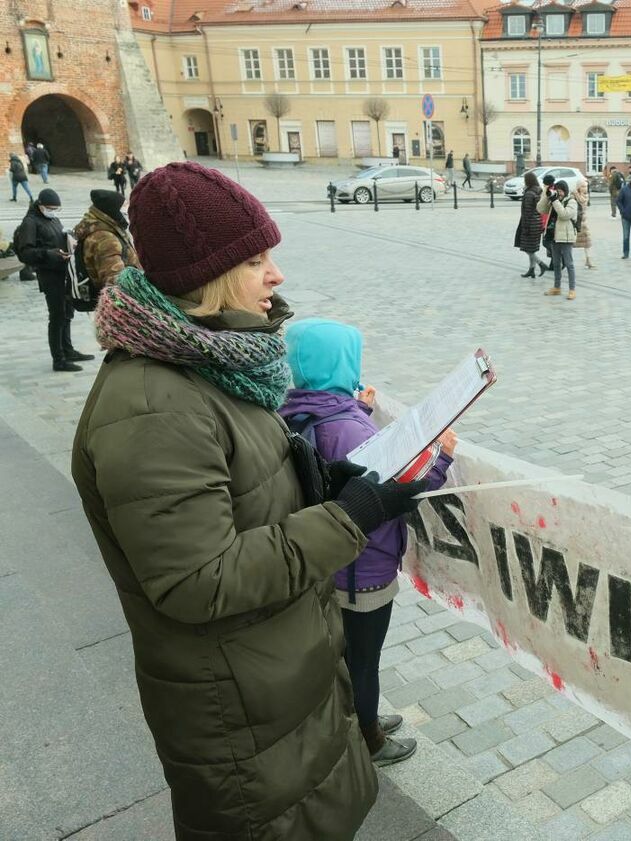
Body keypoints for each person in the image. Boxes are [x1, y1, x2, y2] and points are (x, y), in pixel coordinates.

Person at [70, 162, 407, 838]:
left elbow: (243, 493)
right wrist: (350, 519)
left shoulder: (216, 362)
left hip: (273, 680)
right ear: (207, 275)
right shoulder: (152, 405)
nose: (275, 274)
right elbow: (199, 577)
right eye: (255, 258)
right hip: (240, 711)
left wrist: (324, 487)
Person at [280, 318, 455, 768]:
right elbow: (394, 488)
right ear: (344, 362)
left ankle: (357, 713)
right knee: (364, 657)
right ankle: (369, 736)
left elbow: (347, 453)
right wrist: (443, 456)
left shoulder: (300, 408)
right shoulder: (348, 428)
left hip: (331, 561)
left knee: (344, 650)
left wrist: (360, 408)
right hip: (365, 566)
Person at [14, 188, 95, 372]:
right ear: (41, 205)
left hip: (63, 272)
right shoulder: (30, 222)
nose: (53, 211)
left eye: (56, 209)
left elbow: (57, 238)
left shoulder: (52, 219)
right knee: (57, 316)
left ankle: (68, 350)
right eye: (50, 208)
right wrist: (50, 254)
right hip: (49, 275)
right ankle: (58, 359)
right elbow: (26, 253)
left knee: (68, 313)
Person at [73, 189, 141, 288]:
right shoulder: (105, 238)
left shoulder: (105, 227)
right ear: (112, 210)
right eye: (124, 206)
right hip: (122, 297)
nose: (127, 209)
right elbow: (115, 280)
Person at [540, 179, 578, 299]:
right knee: (556, 264)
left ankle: (572, 290)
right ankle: (557, 287)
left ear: (565, 191)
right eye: (557, 190)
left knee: (569, 263)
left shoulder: (571, 201)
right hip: (554, 235)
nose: (559, 193)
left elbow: (564, 215)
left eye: (561, 191)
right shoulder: (554, 200)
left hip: (566, 237)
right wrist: (546, 195)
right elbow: (541, 209)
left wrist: (555, 201)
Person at [515, 171, 544, 278]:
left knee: (527, 248)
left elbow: (527, 213)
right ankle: (531, 269)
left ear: (528, 181)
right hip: (538, 223)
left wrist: (525, 228)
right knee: (531, 248)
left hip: (530, 224)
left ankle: (541, 264)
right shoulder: (538, 191)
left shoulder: (529, 194)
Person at [574, 181, 595, 269]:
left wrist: (576, 194)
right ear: (578, 187)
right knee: (570, 243)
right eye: (582, 186)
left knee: (587, 243)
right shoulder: (573, 196)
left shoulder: (585, 196)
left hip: (583, 223)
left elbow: (583, 202)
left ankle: (589, 260)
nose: (584, 188)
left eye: (586, 186)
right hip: (575, 223)